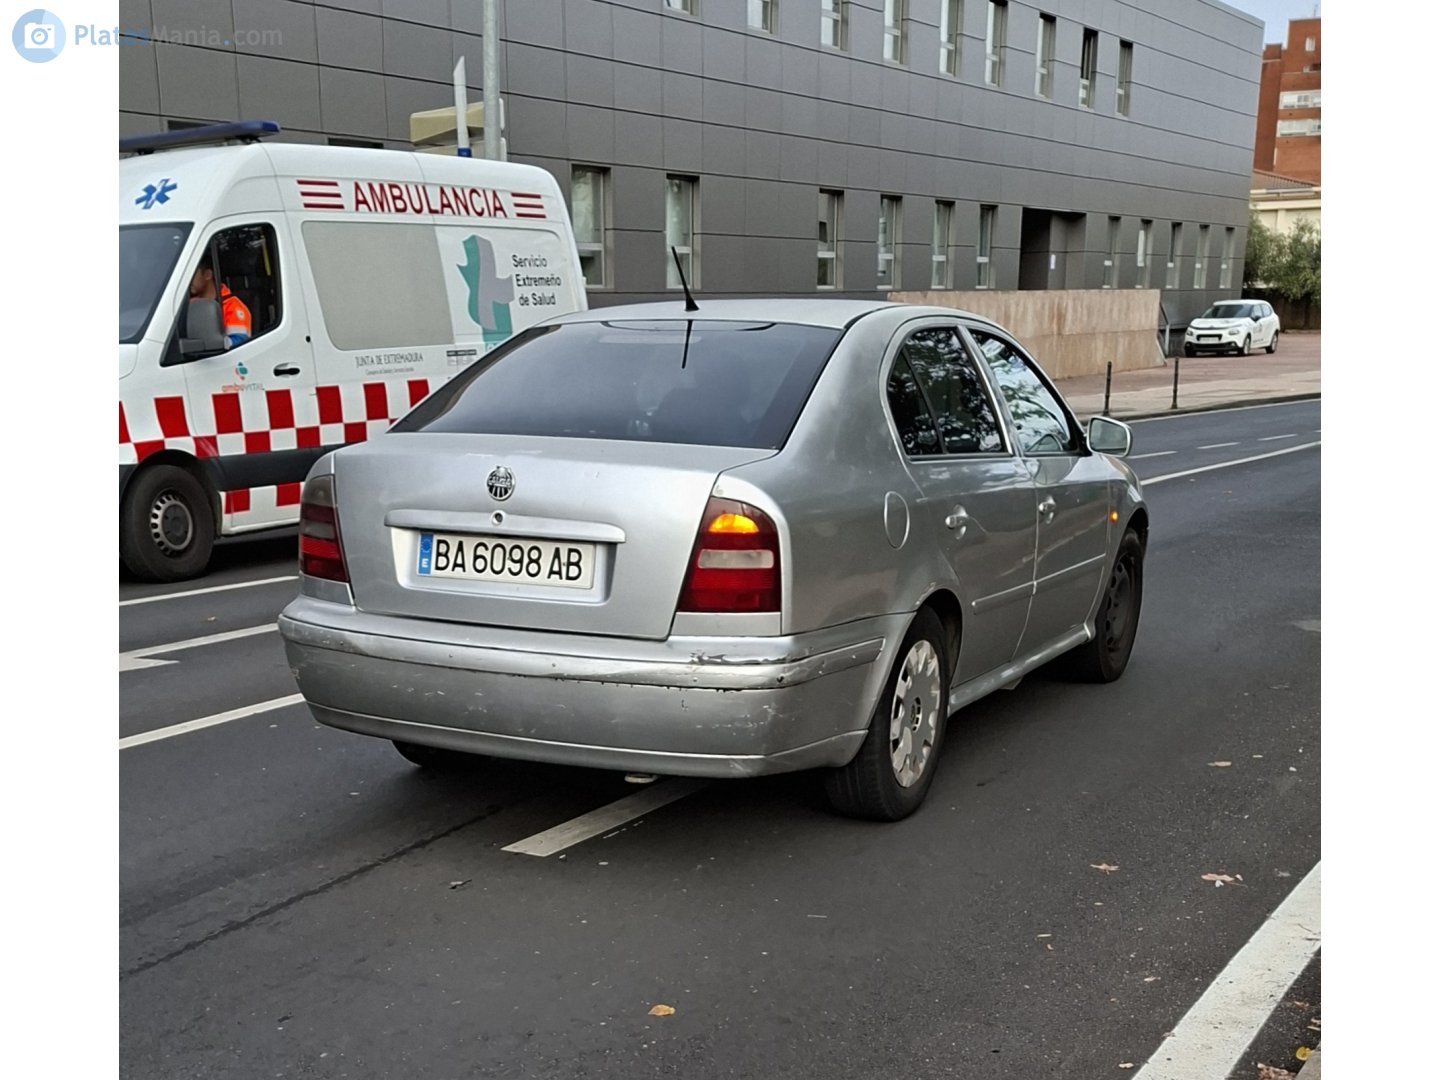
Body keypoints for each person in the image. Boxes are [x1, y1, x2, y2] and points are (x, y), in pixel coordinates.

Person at [190, 255, 252, 348]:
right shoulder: (188, 304)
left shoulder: (233, 306)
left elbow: (239, 342)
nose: (189, 280)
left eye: (192, 274)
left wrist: (213, 343)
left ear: (207, 275)